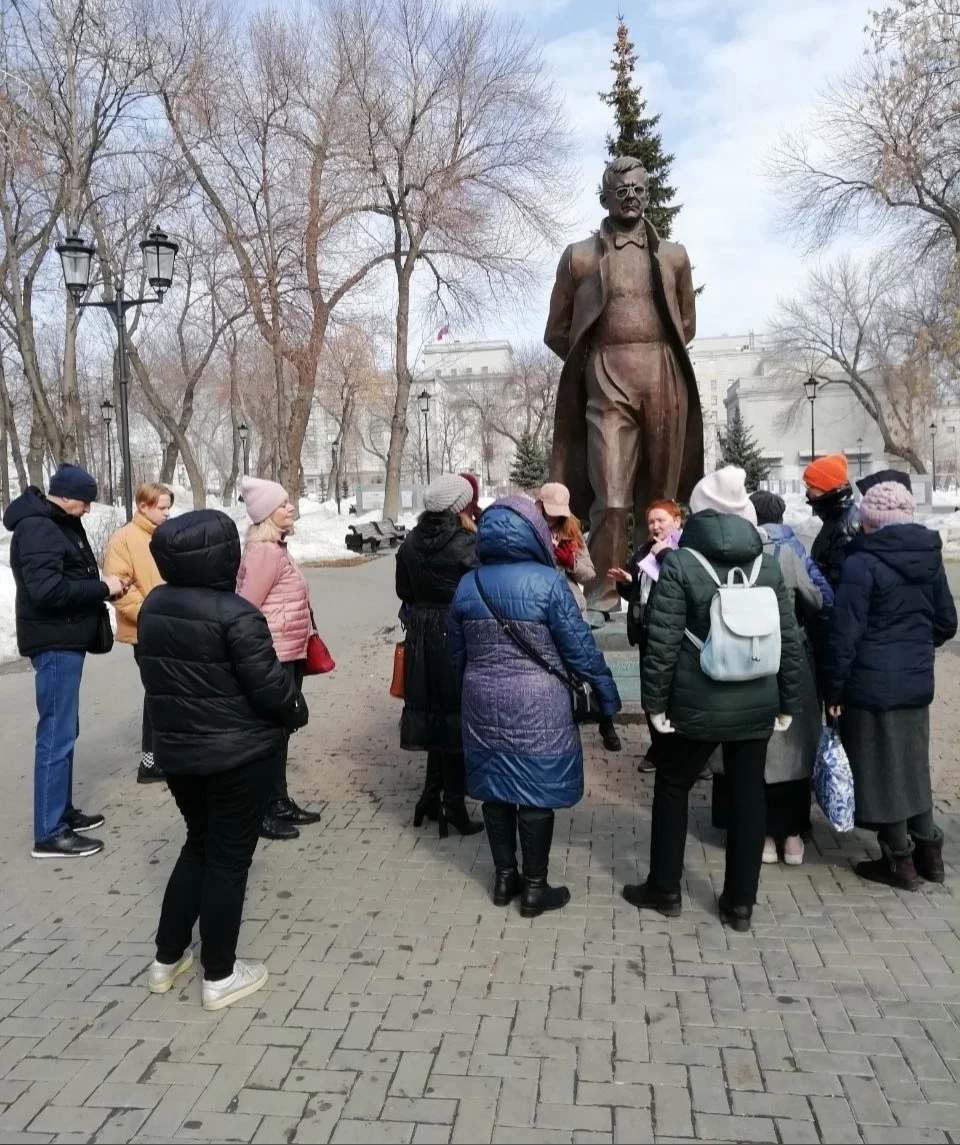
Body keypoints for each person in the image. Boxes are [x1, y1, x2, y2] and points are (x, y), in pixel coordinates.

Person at [138, 510, 308, 1010]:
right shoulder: (235, 614)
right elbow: (270, 686)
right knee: (229, 861)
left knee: (199, 844)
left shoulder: (155, 607)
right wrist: (295, 710)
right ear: (222, 557)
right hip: (237, 755)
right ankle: (220, 974)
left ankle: (167, 959)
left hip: (180, 752)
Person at [627, 467, 804, 931]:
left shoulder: (682, 563)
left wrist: (655, 705)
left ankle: (665, 888)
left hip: (695, 701)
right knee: (750, 795)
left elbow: (663, 644)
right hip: (755, 701)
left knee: (673, 785)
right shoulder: (766, 564)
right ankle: (740, 904)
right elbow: (788, 639)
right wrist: (788, 702)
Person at [544, 155, 703, 618]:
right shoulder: (580, 256)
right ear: (605, 196)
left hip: (661, 376)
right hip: (606, 378)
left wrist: (656, 357)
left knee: (659, 501)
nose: (630, 198)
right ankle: (601, 595)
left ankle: (655, 588)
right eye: (621, 190)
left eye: (638, 189)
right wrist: (593, 362)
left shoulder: (673, 256)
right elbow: (557, 331)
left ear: (647, 194)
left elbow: (685, 324)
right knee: (611, 500)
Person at [448, 497, 621, 916]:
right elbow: (580, 648)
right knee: (534, 791)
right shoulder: (548, 584)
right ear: (533, 534)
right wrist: (606, 696)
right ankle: (535, 888)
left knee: (495, 788)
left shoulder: (469, 584)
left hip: (481, 699)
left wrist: (465, 692)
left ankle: (505, 878)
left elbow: (456, 653)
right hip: (538, 703)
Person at [823, 481, 957, 890]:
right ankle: (930, 854)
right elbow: (947, 623)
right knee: (913, 767)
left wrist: (833, 691)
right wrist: (915, 646)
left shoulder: (861, 564)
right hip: (915, 681)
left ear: (869, 521)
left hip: (871, 683)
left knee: (882, 771)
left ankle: (899, 860)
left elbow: (845, 635)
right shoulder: (930, 558)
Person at [3, 464, 129, 860]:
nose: (89, 510)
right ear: (66, 495)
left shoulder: (54, 521)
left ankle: (61, 812)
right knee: (55, 735)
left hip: (65, 639)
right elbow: (46, 591)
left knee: (64, 730)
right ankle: (49, 832)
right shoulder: (40, 527)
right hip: (54, 642)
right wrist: (102, 588)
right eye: (85, 502)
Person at [711, 490, 824, 866]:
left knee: (745, 750)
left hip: (740, 662)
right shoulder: (789, 554)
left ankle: (754, 835)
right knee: (790, 749)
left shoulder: (728, 555)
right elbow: (817, 601)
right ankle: (791, 836)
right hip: (787, 661)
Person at [396, 474, 484, 838]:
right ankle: (454, 804)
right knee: (455, 718)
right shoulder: (467, 542)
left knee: (434, 712)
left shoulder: (411, 541)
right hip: (454, 631)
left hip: (420, 632)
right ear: (461, 505)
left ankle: (430, 797)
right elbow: (478, 590)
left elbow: (403, 589)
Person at [236, 476, 322, 842]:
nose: (291, 507)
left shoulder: (276, 548)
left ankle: (278, 799)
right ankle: (261, 809)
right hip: (273, 655)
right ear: (268, 513)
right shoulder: (265, 554)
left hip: (288, 652)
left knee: (280, 731)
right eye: (284, 504)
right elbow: (246, 608)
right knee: (269, 732)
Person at [535, 482, 620, 754]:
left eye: (557, 511)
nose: (552, 516)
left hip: (572, 610)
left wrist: (570, 562)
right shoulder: (528, 530)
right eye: (548, 510)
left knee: (589, 666)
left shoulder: (570, 531)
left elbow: (590, 573)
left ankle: (606, 721)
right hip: (541, 611)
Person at [104, 482, 173, 784]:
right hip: (146, 630)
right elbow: (119, 590)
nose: (167, 513)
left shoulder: (165, 536)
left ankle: (168, 754)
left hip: (172, 626)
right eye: (162, 507)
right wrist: (151, 614)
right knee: (158, 691)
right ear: (143, 506)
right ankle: (150, 760)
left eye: (169, 507)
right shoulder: (124, 539)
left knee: (169, 690)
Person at [609, 499, 683, 771]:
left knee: (675, 695)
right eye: (651, 521)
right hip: (647, 634)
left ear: (677, 521)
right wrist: (625, 583)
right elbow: (640, 593)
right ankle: (658, 748)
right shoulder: (643, 550)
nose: (655, 526)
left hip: (674, 636)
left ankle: (684, 752)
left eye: (661, 520)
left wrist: (665, 554)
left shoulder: (682, 550)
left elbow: (683, 584)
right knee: (650, 695)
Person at [804, 454, 861, 591]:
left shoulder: (844, 527)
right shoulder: (836, 518)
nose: (807, 492)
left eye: (810, 486)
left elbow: (840, 584)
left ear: (825, 488)